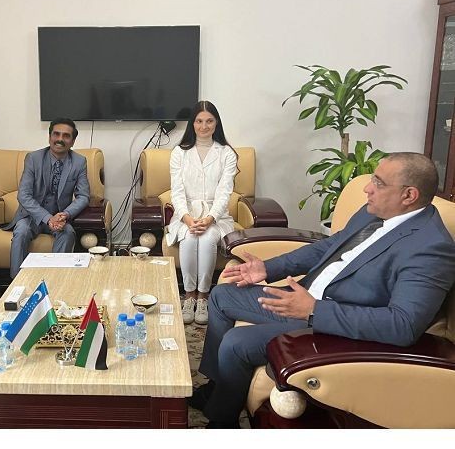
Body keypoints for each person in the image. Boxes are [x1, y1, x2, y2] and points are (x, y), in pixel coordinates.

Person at [191, 152, 455, 428]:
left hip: (334, 324)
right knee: (222, 294)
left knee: (237, 343)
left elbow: (403, 325)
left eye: (378, 182)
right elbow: (328, 247)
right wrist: (268, 269)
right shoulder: (376, 213)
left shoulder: (429, 248)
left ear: (409, 195)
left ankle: (222, 423)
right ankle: (218, 387)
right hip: (305, 300)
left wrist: (314, 310)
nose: (367, 188)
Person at [167, 101, 238, 325]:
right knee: (189, 238)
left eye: (209, 121)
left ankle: (203, 297)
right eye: (199, 121)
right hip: (186, 214)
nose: (204, 126)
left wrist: (209, 219)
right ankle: (189, 296)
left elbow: (225, 193)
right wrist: (188, 219)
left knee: (207, 239)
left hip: (216, 216)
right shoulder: (179, 152)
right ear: (192, 123)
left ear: (216, 123)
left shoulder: (227, 153)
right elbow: (176, 192)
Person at [7, 118, 90, 277]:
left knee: (68, 233)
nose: (60, 139)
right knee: (21, 231)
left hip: (60, 217)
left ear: (73, 141)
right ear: (49, 137)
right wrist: (47, 218)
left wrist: (65, 214)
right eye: (56, 134)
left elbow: (83, 196)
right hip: (31, 216)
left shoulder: (79, 162)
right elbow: (23, 195)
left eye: (66, 136)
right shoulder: (33, 158)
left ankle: (56, 280)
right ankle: (16, 282)